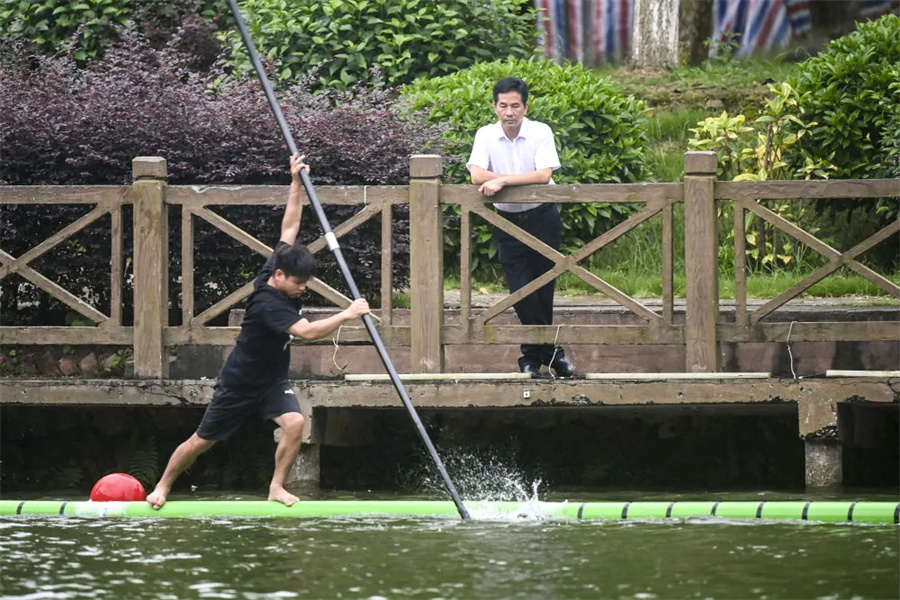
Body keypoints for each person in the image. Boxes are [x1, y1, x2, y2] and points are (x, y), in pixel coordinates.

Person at [147, 154, 370, 509]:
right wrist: (347, 314)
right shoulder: (269, 304)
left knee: (295, 423)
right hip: (239, 382)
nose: (303, 289)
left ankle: (277, 487)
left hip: (271, 381)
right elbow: (308, 332)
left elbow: (289, 228)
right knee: (201, 441)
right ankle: (162, 486)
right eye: (299, 283)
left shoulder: (276, 266)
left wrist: (295, 182)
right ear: (280, 278)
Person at [466, 76, 576, 378]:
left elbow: (543, 175)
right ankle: (552, 354)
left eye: (515, 105)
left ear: (526, 107)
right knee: (521, 290)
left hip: (543, 217)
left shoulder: (540, 131)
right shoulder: (485, 135)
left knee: (544, 289)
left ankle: (529, 358)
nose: (509, 112)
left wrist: (500, 180)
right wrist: (494, 179)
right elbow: (476, 175)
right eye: (503, 106)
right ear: (495, 107)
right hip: (507, 222)